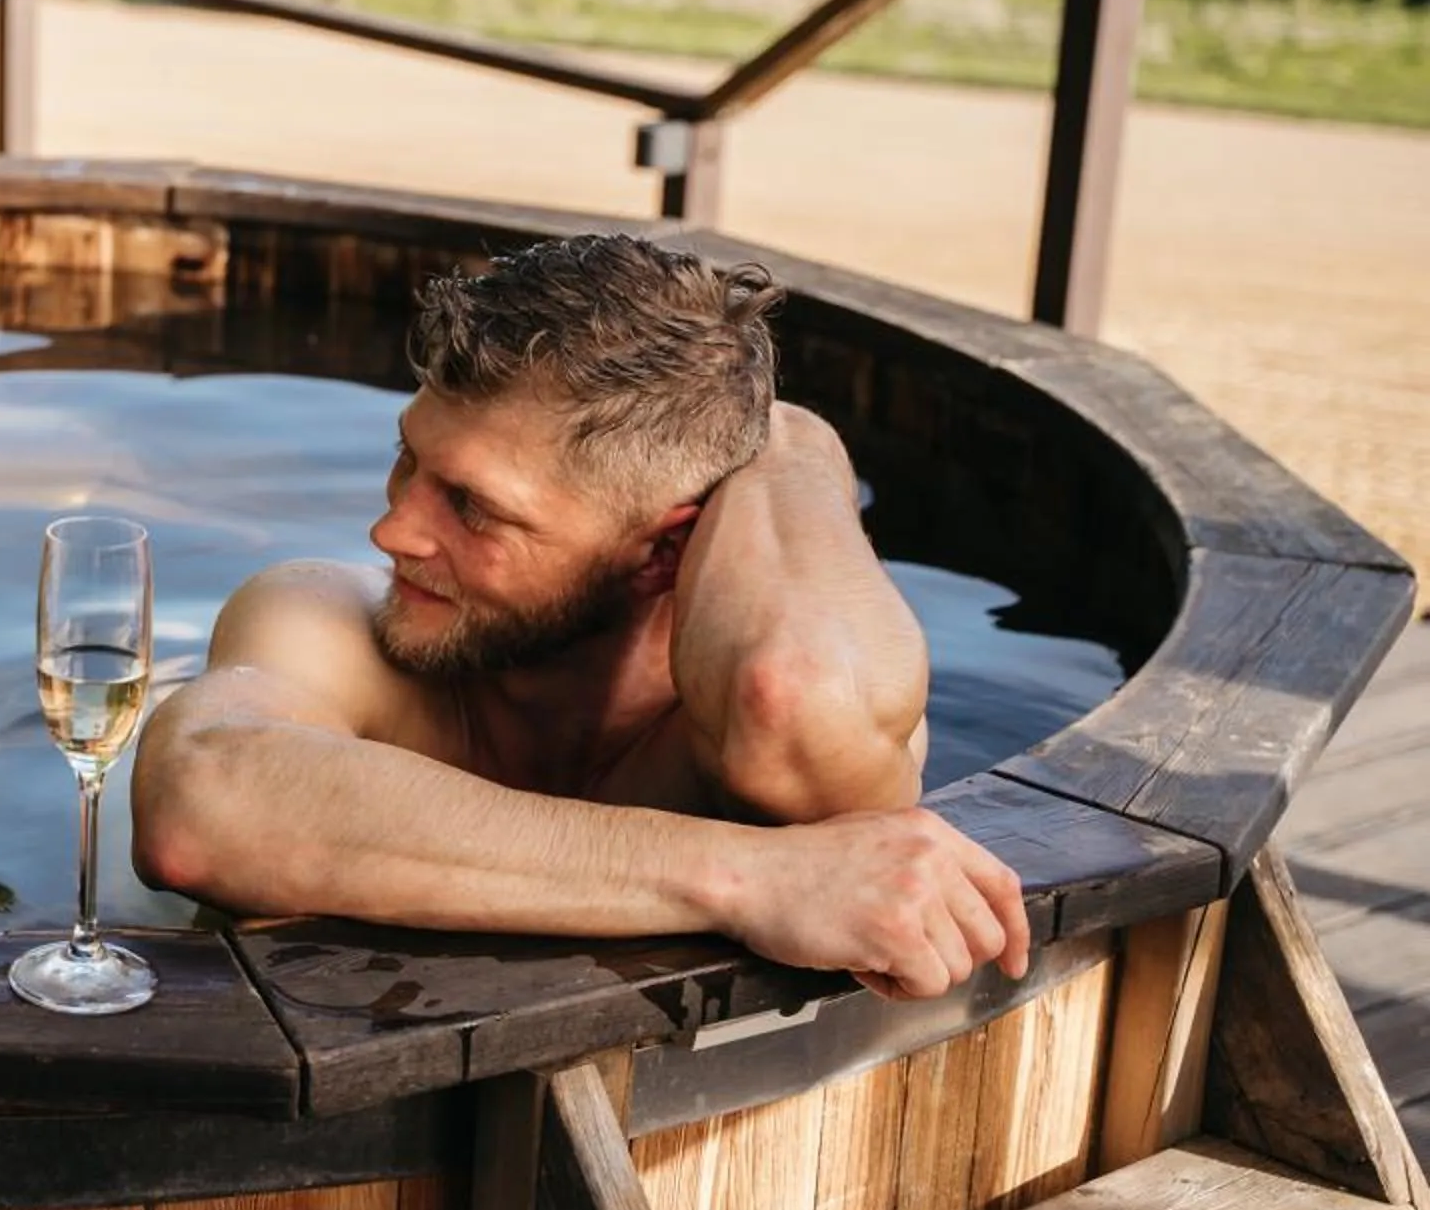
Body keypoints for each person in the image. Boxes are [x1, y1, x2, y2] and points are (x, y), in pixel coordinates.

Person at [129, 235, 1030, 1002]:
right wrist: (750, 879)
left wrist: (792, 444)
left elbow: (793, 695)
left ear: (662, 555)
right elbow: (200, 803)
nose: (391, 528)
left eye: (473, 508)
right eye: (409, 460)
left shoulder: (767, 685)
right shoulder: (327, 615)